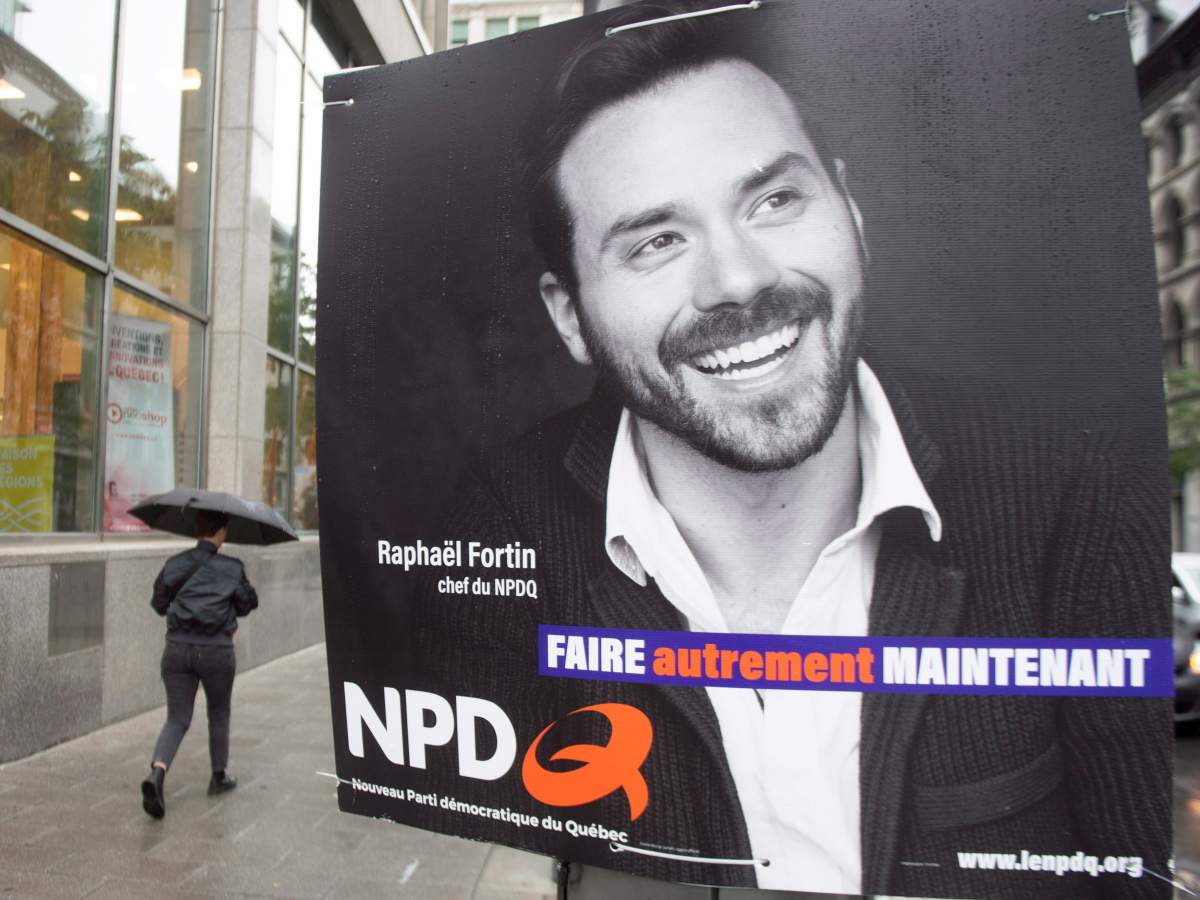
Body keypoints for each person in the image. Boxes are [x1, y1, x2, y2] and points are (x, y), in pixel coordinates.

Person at [411, 2, 1170, 896]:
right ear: (569, 314)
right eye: (657, 242)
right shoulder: (496, 526)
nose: (738, 279)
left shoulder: (1065, 486)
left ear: (849, 210)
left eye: (774, 200)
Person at [140, 509, 258, 819]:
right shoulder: (232, 568)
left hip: (177, 650)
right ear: (221, 533)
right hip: (217, 650)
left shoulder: (176, 563)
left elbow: (158, 603)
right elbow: (248, 603)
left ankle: (158, 773)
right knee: (218, 712)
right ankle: (218, 776)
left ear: (197, 531)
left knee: (177, 718)